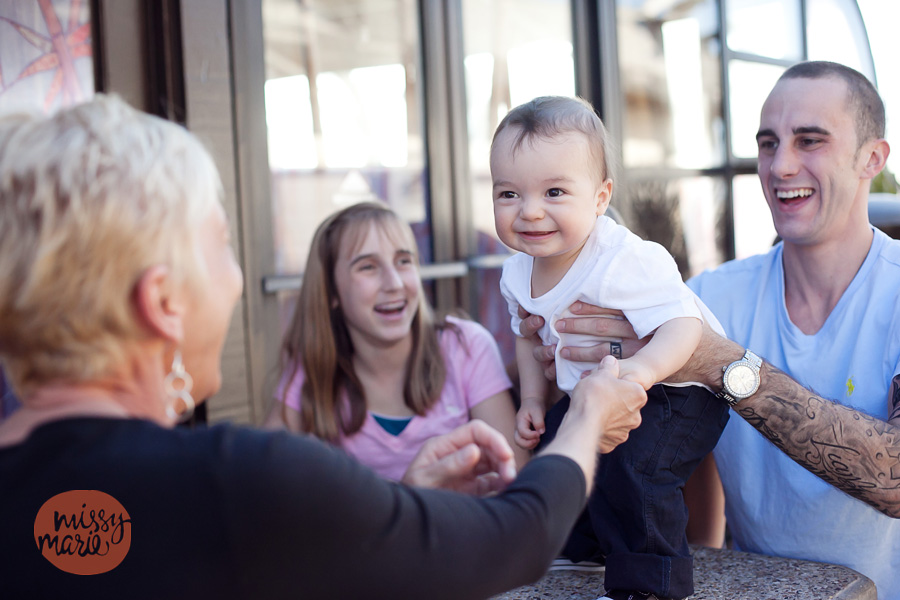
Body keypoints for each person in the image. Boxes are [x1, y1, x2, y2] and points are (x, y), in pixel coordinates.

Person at [0, 94, 649, 600]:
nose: (235, 279)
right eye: (221, 245)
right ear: (164, 301)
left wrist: (401, 503)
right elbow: (516, 539)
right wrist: (588, 416)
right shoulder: (239, 480)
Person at [521, 61, 900, 600]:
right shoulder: (709, 294)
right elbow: (673, 458)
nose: (780, 165)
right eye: (767, 144)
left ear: (873, 158)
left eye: (809, 140)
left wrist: (717, 361)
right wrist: (558, 342)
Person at [490, 96, 730, 600]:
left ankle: (651, 583)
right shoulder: (516, 272)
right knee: (561, 446)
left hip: (675, 390)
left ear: (601, 198)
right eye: (509, 193)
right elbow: (526, 334)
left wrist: (638, 373)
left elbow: (685, 326)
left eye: (554, 191)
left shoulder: (624, 259)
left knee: (634, 468)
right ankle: (583, 547)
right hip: (598, 390)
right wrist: (532, 399)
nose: (529, 211)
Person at [265, 201, 529, 480]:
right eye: (368, 267)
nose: (394, 284)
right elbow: (259, 476)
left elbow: (518, 476)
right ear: (331, 292)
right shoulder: (313, 369)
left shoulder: (465, 346)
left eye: (403, 261)